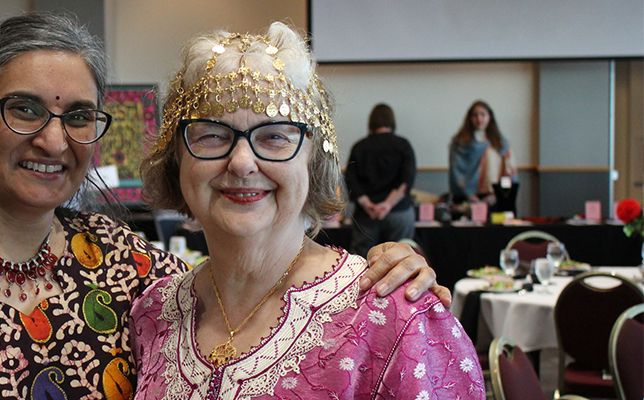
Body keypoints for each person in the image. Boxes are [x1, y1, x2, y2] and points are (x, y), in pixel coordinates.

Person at [0, 12, 448, 399]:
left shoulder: (126, 269)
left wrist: (394, 267)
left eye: (77, 116)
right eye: (23, 109)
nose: (52, 139)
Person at [133, 23, 483, 399]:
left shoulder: (394, 318)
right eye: (212, 134)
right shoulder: (153, 313)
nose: (242, 163)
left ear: (314, 162)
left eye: (274, 136)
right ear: (177, 159)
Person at [344, 103, 417, 256]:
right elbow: (405, 181)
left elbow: (351, 179)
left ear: (371, 123)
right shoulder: (403, 145)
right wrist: (387, 205)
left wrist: (369, 205)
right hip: (398, 212)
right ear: (392, 121)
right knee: (399, 259)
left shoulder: (360, 147)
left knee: (362, 260)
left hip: (366, 215)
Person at [448, 100, 516, 208]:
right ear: (470, 118)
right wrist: (468, 195)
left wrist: (496, 195)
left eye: (483, 114)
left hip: (494, 198)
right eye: (475, 115)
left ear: (490, 117)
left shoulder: (500, 143)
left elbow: (509, 171)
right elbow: (456, 173)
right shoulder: (459, 143)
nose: (479, 119)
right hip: (466, 199)